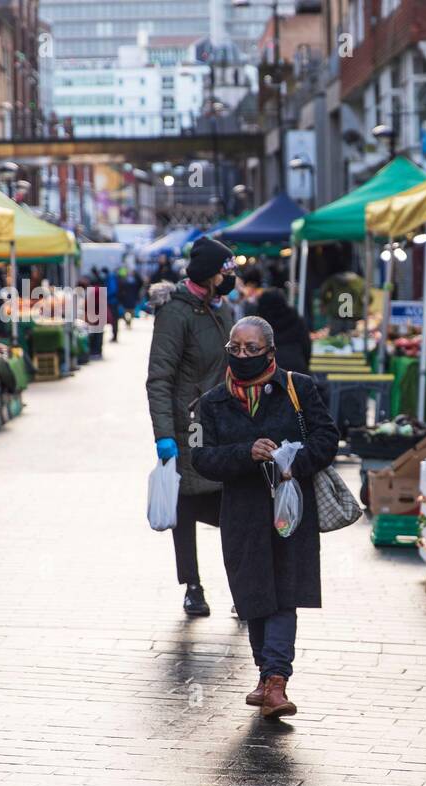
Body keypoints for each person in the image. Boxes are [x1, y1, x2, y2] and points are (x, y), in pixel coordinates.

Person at [191, 316, 338, 718]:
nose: (242, 356)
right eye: (235, 349)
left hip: (290, 511)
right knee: (254, 594)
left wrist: (295, 462)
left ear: (270, 352)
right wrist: (245, 452)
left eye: (251, 349)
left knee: (283, 594)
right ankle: (265, 674)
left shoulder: (299, 388)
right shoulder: (212, 402)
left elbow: (328, 439)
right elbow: (201, 457)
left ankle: (277, 680)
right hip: (242, 513)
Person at [147, 236, 238, 617]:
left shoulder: (225, 309)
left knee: (235, 509)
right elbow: (159, 378)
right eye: (226, 271)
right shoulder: (176, 313)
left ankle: (242, 587)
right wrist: (164, 434)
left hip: (226, 425)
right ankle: (193, 586)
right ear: (208, 275)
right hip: (188, 427)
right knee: (186, 509)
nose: (231, 277)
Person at [255, 287, 311, 375]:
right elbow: (306, 346)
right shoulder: (296, 319)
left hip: (270, 369)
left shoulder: (260, 325)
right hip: (297, 366)